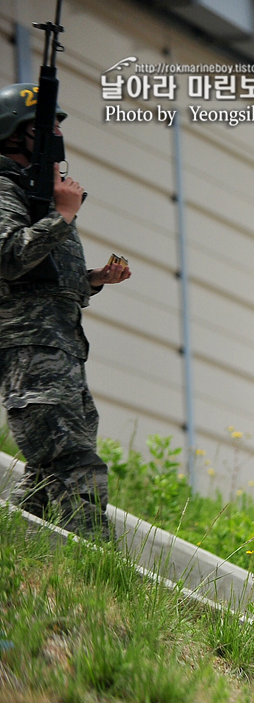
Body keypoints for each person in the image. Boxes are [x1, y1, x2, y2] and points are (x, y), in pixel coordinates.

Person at [0, 83, 131, 538]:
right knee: (75, 464)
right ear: (15, 134)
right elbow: (10, 257)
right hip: (31, 352)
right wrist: (62, 215)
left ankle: (16, 535)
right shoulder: (3, 189)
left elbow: (45, 278)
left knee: (49, 470)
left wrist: (94, 278)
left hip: (62, 349)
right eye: (46, 125)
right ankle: (102, 569)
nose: (57, 133)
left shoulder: (34, 192)